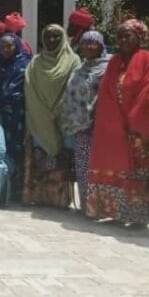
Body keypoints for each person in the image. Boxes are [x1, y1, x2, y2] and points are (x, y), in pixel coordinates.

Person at [85, 19, 149, 227]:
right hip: (113, 127)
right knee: (113, 168)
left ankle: (138, 218)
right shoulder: (115, 61)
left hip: (136, 129)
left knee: (137, 171)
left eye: (128, 35)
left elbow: (147, 93)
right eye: (119, 36)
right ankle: (116, 212)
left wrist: (134, 123)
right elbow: (106, 93)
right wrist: (112, 123)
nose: (123, 40)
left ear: (140, 37)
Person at [23, 24, 80, 208]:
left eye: (56, 37)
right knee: (41, 161)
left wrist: (57, 110)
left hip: (63, 121)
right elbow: (30, 90)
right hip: (40, 121)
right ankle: (40, 197)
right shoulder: (35, 63)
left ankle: (62, 200)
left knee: (62, 161)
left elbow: (74, 89)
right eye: (48, 37)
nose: (52, 40)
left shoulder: (73, 61)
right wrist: (44, 114)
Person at [61, 31, 110, 210]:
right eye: (85, 43)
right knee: (82, 168)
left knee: (101, 169)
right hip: (80, 128)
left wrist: (95, 119)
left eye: (93, 43)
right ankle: (87, 207)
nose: (89, 47)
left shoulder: (108, 67)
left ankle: (101, 207)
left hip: (100, 127)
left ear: (101, 45)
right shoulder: (79, 69)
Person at [0, 33, 30, 202]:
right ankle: (2, 188)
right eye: (2, 47)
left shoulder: (26, 64)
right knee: (0, 149)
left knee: (17, 151)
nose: (5, 50)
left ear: (17, 46)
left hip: (17, 116)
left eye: (9, 46)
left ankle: (18, 191)